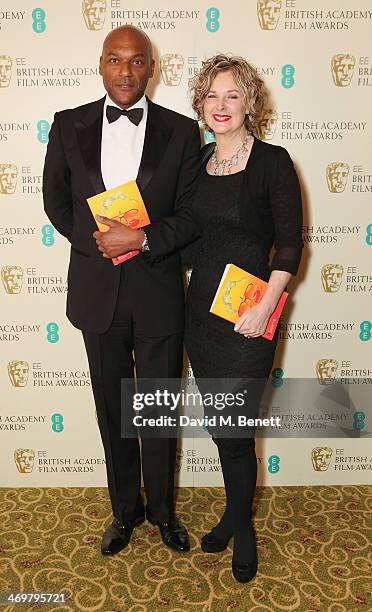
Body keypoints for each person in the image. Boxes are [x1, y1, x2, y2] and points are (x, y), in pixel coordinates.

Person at [43, 25, 201, 556]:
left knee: (157, 410)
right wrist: (95, 242)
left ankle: (162, 512)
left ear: (151, 68)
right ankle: (123, 512)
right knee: (112, 411)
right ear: (101, 64)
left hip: (157, 292)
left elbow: (189, 216)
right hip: (98, 292)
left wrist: (142, 238)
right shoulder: (68, 125)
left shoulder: (182, 131)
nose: (126, 71)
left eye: (137, 62)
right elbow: (56, 201)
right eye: (115, 60)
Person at [185, 55, 303, 583]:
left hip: (252, 317)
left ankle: (243, 526)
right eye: (212, 95)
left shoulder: (273, 162)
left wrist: (264, 307)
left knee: (237, 426)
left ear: (250, 101)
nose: (222, 105)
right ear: (201, 106)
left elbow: (288, 244)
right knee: (221, 427)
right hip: (202, 320)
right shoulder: (196, 164)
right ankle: (235, 513)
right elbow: (182, 233)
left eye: (233, 95)